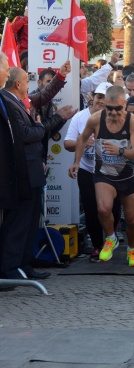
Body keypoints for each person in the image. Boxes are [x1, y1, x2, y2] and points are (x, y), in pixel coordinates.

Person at [68, 86, 134, 267]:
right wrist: (76, 162)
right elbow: (82, 138)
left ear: (124, 105)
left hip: (128, 176)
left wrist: (120, 150)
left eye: (118, 109)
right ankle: (111, 238)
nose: (113, 113)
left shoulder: (133, 122)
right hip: (104, 174)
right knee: (102, 209)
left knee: (133, 219)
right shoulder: (95, 120)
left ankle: (132, 249)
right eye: (109, 108)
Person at [0, 67, 52, 280]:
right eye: (26, 81)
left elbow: (42, 96)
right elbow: (23, 134)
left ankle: (24, 265)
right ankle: (10, 268)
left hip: (33, 171)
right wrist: (40, 128)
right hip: (23, 173)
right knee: (19, 222)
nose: (28, 85)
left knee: (31, 222)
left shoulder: (17, 101)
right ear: (18, 84)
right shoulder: (7, 101)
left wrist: (61, 78)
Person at [65, 82, 120, 262]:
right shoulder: (80, 118)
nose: (102, 102)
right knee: (91, 209)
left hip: (112, 170)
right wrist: (84, 142)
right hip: (88, 169)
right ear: (92, 98)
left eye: (106, 98)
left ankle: (111, 237)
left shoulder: (117, 117)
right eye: (99, 97)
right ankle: (98, 245)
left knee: (112, 208)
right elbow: (68, 143)